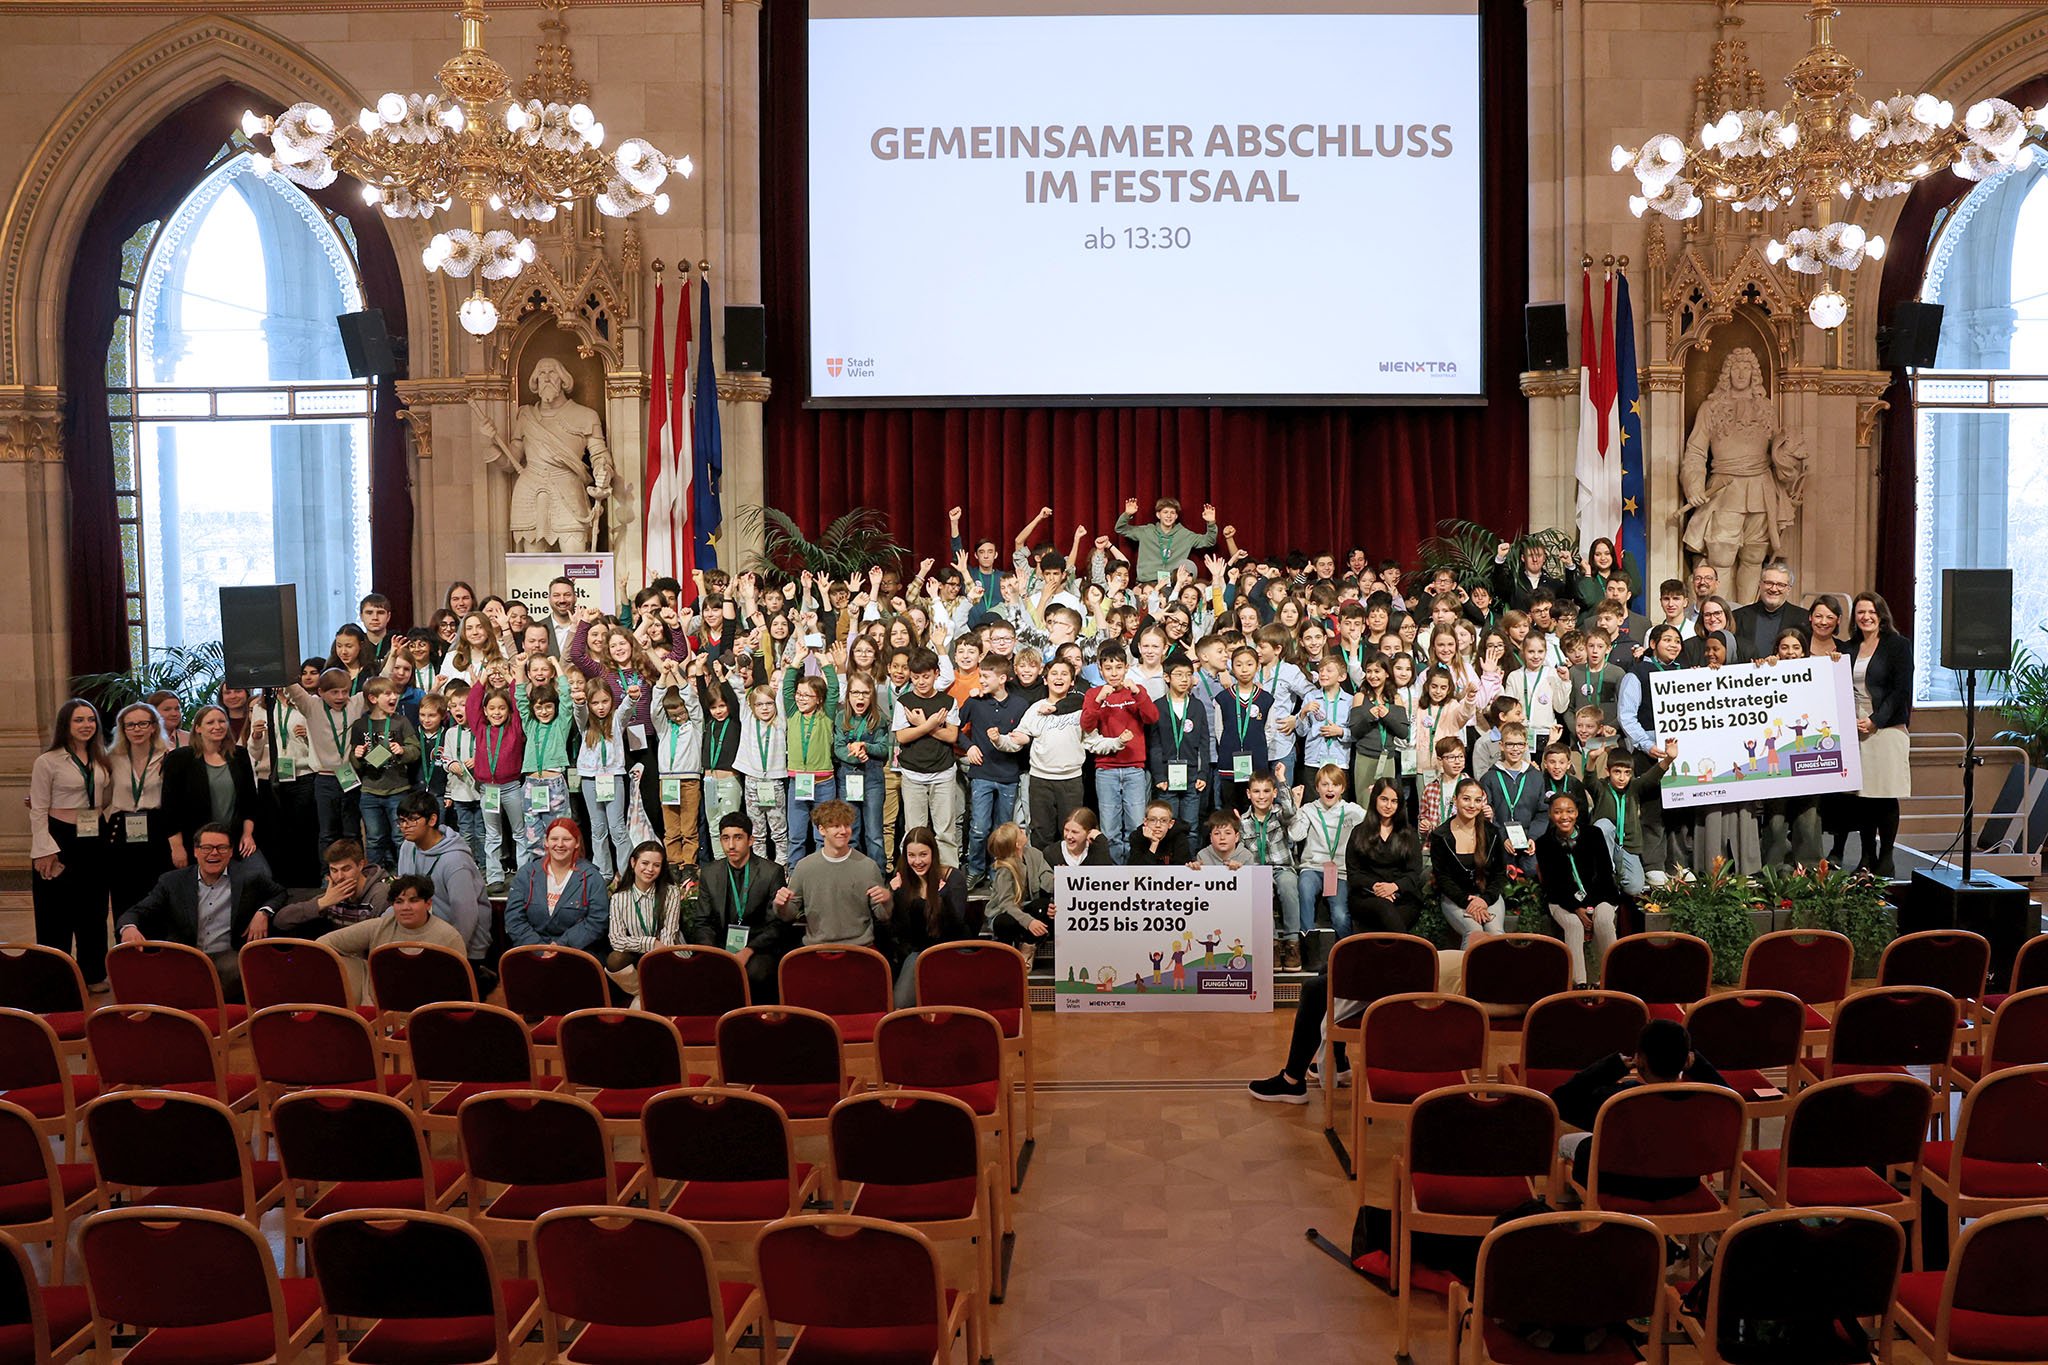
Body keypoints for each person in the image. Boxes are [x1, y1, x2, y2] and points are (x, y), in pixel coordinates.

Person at [1552, 1019, 1730, 1199]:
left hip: (1616, 1183)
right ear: (1685, 1061)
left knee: (1564, 1143)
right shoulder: (1703, 1099)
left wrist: (1613, 1066)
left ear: (1641, 1059)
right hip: (1680, 1183)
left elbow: (1561, 1100)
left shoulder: (1617, 1098)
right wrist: (1699, 1065)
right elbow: (1730, 1099)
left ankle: (1571, 1211)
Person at [116, 822, 285, 1002]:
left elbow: (280, 893)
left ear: (230, 851)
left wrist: (263, 912)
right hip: (187, 956)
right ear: (195, 851)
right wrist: (129, 928)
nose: (214, 853)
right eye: (207, 848)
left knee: (241, 973)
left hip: (229, 957)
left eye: (221, 848)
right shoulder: (172, 882)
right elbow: (138, 911)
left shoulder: (249, 877)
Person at [30, 698, 113, 989]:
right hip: (59, 837)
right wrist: (44, 849)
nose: (86, 725)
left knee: (94, 909)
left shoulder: (102, 758)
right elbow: (38, 809)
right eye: (79, 720)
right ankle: (57, 977)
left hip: (94, 835)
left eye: (90, 720)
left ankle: (93, 974)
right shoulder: (48, 761)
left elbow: (108, 799)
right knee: (56, 912)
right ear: (66, 724)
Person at [390, 789, 495, 990]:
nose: (405, 827)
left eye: (412, 820)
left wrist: (449, 955)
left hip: (462, 945)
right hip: (425, 939)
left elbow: (466, 918)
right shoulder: (407, 848)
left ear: (432, 820)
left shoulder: (455, 860)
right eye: (401, 821)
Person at [317, 873, 467, 1003]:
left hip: (424, 1012)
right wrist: (363, 970)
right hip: (376, 1006)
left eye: (413, 901)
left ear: (428, 904)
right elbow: (322, 944)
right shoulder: (380, 926)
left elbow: (457, 989)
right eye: (399, 902)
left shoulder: (449, 937)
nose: (405, 907)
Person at [693, 811, 792, 1002]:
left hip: (759, 947)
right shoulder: (710, 873)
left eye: (738, 838)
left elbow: (777, 925)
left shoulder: (771, 872)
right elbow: (702, 922)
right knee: (705, 971)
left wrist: (748, 951)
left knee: (756, 973)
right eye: (726, 838)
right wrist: (715, 954)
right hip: (721, 946)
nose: (731, 845)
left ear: (750, 840)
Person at [1850, 591, 1913, 879]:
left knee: (1885, 795)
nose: (1865, 617)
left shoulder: (1898, 646)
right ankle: (1866, 856)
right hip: (1854, 727)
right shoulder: (1850, 647)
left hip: (1886, 728)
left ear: (1881, 614)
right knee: (1863, 797)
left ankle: (1886, 857)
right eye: (1860, 612)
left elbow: (1900, 691)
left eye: (1870, 612)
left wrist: (1876, 721)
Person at [1081, 641, 1160, 864]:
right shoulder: (1094, 693)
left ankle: (1135, 870)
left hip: (1135, 768)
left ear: (1126, 668)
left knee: (1136, 827)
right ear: (1100, 670)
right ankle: (1114, 875)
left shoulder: (1136, 691)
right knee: (1110, 828)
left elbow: (1152, 717)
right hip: (1106, 769)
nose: (1114, 673)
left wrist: (1136, 692)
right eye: (1108, 668)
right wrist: (1098, 700)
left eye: (1118, 668)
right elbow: (1086, 725)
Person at [775, 800, 891, 948]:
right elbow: (787, 915)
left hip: (860, 948)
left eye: (847, 825)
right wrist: (781, 905)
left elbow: (883, 915)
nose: (843, 831)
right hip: (817, 949)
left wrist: (887, 900)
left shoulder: (868, 866)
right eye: (836, 826)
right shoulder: (805, 867)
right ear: (822, 830)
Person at [159, 704, 261, 871]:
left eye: (222, 721)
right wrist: (177, 848)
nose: (217, 726)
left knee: (260, 876)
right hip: (196, 844)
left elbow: (250, 802)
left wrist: (247, 835)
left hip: (234, 841)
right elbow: (170, 809)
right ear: (198, 728)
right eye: (210, 722)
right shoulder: (180, 759)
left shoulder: (240, 755)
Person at [1535, 793, 1621, 988]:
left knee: (1604, 920)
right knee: (1574, 925)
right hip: (1562, 900)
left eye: (1569, 811)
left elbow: (1605, 873)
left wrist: (1589, 905)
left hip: (1600, 896)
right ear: (1550, 814)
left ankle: (1611, 978)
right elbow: (1552, 884)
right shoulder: (1544, 843)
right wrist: (1577, 908)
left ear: (1576, 813)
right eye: (1558, 812)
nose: (1564, 816)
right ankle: (1579, 986)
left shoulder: (1594, 835)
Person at [886, 825, 975, 1006]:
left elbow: (956, 928)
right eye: (912, 855)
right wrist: (896, 895)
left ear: (933, 854)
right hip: (919, 950)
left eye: (923, 854)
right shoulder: (902, 881)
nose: (917, 861)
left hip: (952, 948)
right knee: (900, 1004)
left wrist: (943, 900)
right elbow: (903, 933)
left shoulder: (952, 878)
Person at [105, 701, 172, 934]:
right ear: (122, 729)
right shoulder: (112, 758)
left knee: (156, 890)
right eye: (130, 725)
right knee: (124, 892)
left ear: (154, 727)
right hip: (121, 828)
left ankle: (157, 951)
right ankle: (125, 951)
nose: (137, 729)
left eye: (143, 723)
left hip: (156, 826)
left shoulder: (167, 756)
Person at [892, 649, 963, 865]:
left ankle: (949, 875)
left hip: (942, 773)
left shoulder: (948, 701)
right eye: (916, 677)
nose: (921, 682)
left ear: (936, 674)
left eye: (926, 676)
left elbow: (952, 735)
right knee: (914, 831)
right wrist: (930, 725)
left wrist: (924, 725)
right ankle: (912, 876)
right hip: (913, 773)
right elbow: (902, 737)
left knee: (945, 831)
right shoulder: (904, 702)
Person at [346, 677, 421, 870]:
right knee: (374, 838)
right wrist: (357, 755)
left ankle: (405, 873)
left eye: (395, 693)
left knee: (400, 836)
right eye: (388, 694)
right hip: (370, 791)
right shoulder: (360, 725)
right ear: (372, 698)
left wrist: (403, 751)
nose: (394, 697)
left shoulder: (401, 722)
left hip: (398, 790)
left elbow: (416, 750)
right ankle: (374, 876)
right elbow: (353, 760)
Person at [505, 817, 609, 951]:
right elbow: (514, 919)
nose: (560, 844)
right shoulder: (526, 874)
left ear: (577, 843)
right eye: (554, 839)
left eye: (566, 839)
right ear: (546, 842)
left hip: (577, 952)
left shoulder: (592, 877)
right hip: (531, 951)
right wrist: (540, 949)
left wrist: (561, 946)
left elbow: (597, 921)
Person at [1428, 777, 1508, 946]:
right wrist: (1467, 901)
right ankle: (1466, 973)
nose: (1472, 805)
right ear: (1455, 800)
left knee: (1496, 934)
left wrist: (1484, 900)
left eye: (1477, 800)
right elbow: (1443, 878)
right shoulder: (1440, 836)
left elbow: (1500, 874)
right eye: (1466, 799)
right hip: (1456, 898)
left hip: (1488, 896)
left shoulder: (1492, 832)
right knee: (1475, 933)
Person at [1344, 777, 1425, 936]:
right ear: (1375, 799)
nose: (1388, 806)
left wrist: (1393, 887)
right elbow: (1354, 874)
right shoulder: (1359, 832)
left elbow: (1414, 873)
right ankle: (1411, 956)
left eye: (1394, 801)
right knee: (1383, 908)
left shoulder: (1409, 834)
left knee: (1389, 923)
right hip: (1366, 896)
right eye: (1384, 799)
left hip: (1403, 896)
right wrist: (1376, 887)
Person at [605, 841, 687, 996]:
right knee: (615, 959)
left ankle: (658, 996)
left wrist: (657, 946)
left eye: (656, 865)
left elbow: (668, 938)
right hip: (638, 951)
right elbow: (616, 940)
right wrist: (650, 943)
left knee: (661, 963)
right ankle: (644, 994)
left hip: (668, 951)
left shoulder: (671, 892)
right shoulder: (619, 898)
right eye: (645, 863)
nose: (650, 869)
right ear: (633, 862)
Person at [273, 838, 392, 939]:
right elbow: (281, 921)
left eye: (346, 869)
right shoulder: (334, 894)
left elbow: (375, 939)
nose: (339, 877)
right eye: (334, 870)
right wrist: (323, 902)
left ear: (360, 865)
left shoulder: (379, 894)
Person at [1114, 496, 1219, 584]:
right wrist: (1127, 514)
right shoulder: (1147, 531)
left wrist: (1211, 523)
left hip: (1172, 585)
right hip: (1147, 583)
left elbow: (1209, 541)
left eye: (1172, 513)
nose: (1169, 516)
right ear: (1158, 515)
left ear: (1176, 516)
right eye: (1165, 512)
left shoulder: (1185, 535)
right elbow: (1120, 528)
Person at [986, 820, 1055, 947]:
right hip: (1006, 913)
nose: (1023, 831)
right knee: (1006, 922)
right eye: (1020, 832)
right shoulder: (1005, 870)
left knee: (1045, 906)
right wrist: (1029, 922)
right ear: (1017, 844)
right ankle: (1011, 947)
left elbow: (1045, 875)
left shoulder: (1034, 854)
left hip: (1026, 907)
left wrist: (1055, 880)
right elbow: (1006, 905)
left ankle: (1029, 944)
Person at [1731, 560, 1810, 663]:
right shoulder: (1738, 616)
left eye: (1780, 585)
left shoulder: (1804, 618)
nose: (1773, 589)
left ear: (1789, 589)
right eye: (1769, 583)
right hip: (1748, 677)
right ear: (1760, 584)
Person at [1125, 800, 1192, 866]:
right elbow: (1136, 871)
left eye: (1163, 821)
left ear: (1171, 824)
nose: (1158, 825)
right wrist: (1154, 844)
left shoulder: (1179, 837)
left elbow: (1181, 869)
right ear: (1145, 822)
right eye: (1153, 820)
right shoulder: (1137, 837)